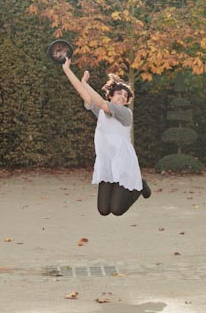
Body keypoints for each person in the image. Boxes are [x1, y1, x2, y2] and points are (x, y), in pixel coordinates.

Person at [62, 57, 151, 216]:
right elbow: (83, 92)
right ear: (110, 95)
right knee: (103, 210)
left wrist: (87, 84)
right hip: (106, 161)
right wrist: (67, 69)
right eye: (119, 94)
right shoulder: (102, 111)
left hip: (123, 162)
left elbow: (102, 103)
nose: (122, 97)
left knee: (116, 210)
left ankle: (139, 186)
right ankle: (134, 186)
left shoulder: (125, 113)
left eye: (125, 96)